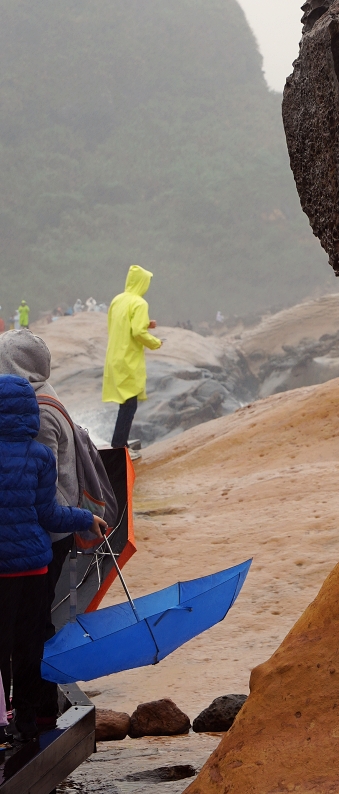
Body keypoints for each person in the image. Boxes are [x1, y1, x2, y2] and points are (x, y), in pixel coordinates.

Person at [0, 374, 106, 743]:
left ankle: (0, 722)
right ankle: (27, 723)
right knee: (29, 645)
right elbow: (50, 514)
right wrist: (86, 518)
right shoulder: (40, 456)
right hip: (33, 567)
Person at [0, 329, 84, 728]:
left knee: (31, 630)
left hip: (40, 539)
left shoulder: (38, 411)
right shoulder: (39, 399)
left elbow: (38, 495)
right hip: (39, 541)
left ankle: (33, 711)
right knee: (33, 629)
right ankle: (35, 710)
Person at [102, 265, 162, 449]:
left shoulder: (117, 300)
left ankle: (119, 444)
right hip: (129, 359)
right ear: (142, 283)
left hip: (114, 357)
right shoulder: (140, 303)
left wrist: (147, 324)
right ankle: (119, 447)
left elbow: (119, 323)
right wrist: (155, 342)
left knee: (126, 403)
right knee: (129, 405)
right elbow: (137, 332)